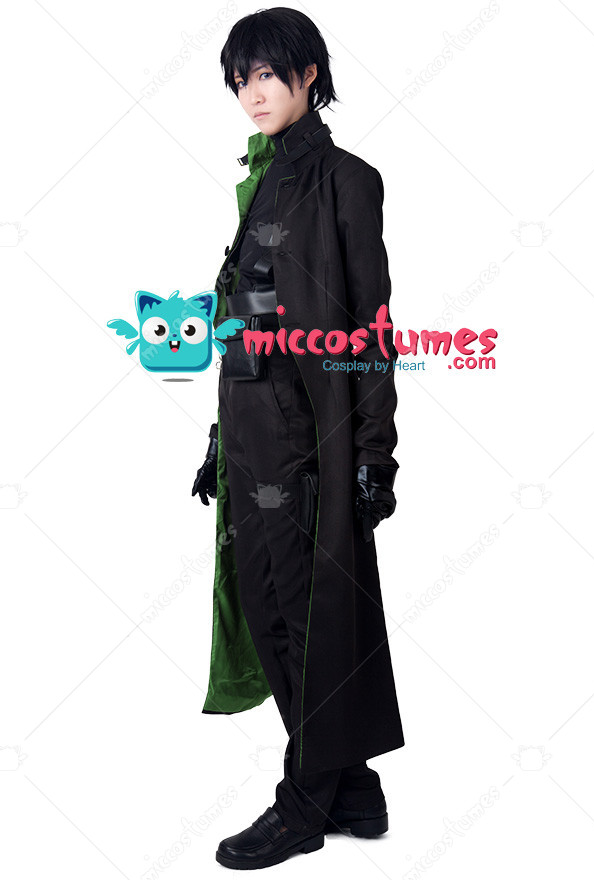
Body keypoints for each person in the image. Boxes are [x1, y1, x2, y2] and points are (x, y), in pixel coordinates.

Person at [192, 7, 405, 870]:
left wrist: (375, 455)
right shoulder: (262, 180)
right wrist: (219, 442)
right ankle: (354, 790)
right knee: (267, 608)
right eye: (241, 79)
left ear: (310, 73)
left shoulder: (345, 180)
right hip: (249, 438)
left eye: (268, 74)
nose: (254, 93)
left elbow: (371, 329)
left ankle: (304, 803)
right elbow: (245, 324)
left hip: (304, 442)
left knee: (307, 620)